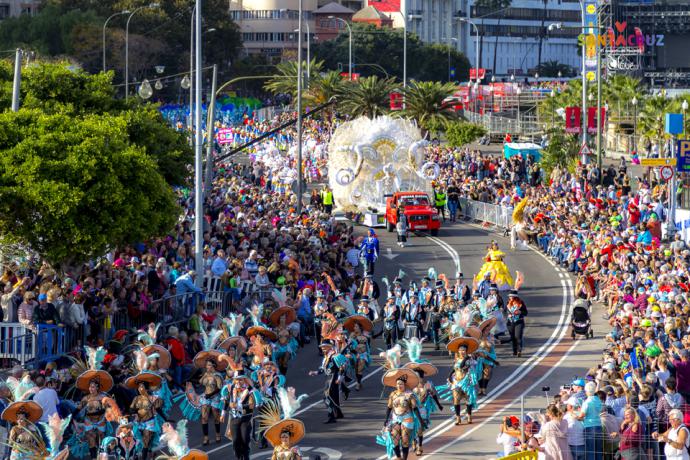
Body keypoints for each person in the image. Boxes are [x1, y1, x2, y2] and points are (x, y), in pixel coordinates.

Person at [578, 381, 603, 460]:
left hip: (589, 426)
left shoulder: (587, 402)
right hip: (598, 425)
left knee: (590, 451)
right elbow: (600, 409)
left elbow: (582, 415)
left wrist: (576, 416)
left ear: (587, 391)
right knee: (598, 450)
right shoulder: (598, 399)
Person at [505, 290, 528, 357]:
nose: (510, 297)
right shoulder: (508, 303)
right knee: (513, 337)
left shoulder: (520, 303)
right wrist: (507, 314)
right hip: (510, 322)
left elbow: (526, 312)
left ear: (515, 296)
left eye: (512, 296)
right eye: (509, 296)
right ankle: (514, 351)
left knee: (518, 336)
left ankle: (519, 351)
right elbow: (505, 311)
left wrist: (520, 312)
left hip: (519, 322)